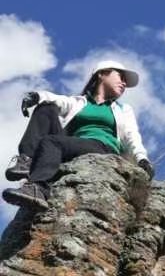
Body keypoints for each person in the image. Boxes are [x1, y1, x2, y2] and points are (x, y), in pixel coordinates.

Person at [3, 59, 154, 210]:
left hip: (102, 148)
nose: (124, 83)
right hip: (73, 146)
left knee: (52, 142)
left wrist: (142, 159)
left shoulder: (123, 109)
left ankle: (40, 189)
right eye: (121, 77)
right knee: (46, 107)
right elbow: (56, 99)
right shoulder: (80, 102)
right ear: (102, 74)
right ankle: (26, 160)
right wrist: (36, 96)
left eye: (125, 81)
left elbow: (131, 135)